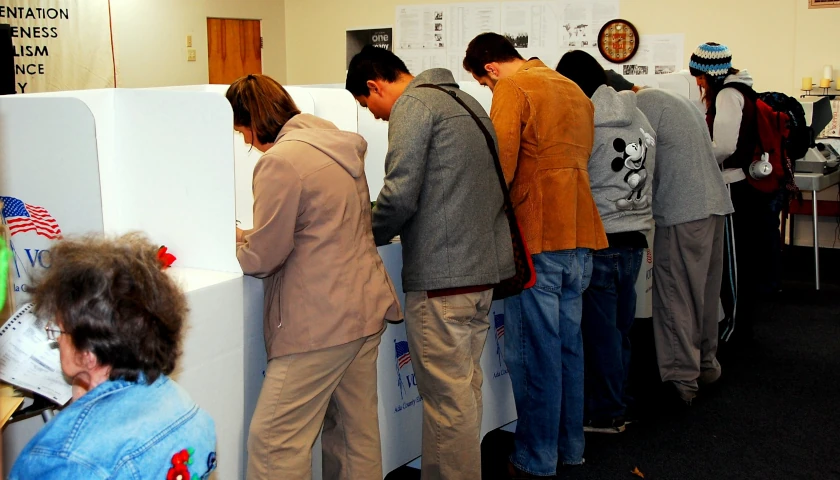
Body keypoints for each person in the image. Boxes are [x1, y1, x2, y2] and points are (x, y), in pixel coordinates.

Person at [346, 45, 514, 480]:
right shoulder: (468, 101)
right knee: (462, 393)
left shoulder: (414, 106)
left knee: (446, 401)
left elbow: (400, 193)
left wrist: (361, 231)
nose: (378, 116)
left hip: (443, 279)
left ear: (374, 84)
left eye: (370, 105)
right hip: (480, 273)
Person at [228, 74, 401, 480]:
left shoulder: (281, 162)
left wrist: (233, 239)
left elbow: (262, 257)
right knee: (354, 434)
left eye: (242, 131)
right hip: (363, 306)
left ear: (252, 120)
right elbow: (319, 228)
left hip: (319, 322)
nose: (247, 142)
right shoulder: (337, 144)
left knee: (274, 441)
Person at [463, 33, 608, 477]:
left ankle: (536, 456)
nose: (490, 92)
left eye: (484, 85)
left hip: (537, 237)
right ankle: (570, 447)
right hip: (580, 229)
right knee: (568, 348)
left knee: (533, 352)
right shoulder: (573, 89)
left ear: (489, 69)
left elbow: (499, 167)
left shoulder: (513, 88)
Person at [9, 233, 217, 479]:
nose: (56, 339)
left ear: (88, 354)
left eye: (59, 330)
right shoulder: (192, 413)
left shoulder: (64, 459)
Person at [556, 50, 655, 433]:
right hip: (635, 235)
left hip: (600, 236)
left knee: (599, 335)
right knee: (619, 329)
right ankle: (620, 403)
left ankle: (606, 412)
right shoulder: (640, 114)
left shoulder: (585, 119)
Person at [631, 85, 735, 405]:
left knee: (677, 294)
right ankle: (706, 364)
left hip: (683, 211)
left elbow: (636, 163)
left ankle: (681, 379)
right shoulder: (680, 101)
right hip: (714, 205)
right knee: (703, 293)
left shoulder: (639, 106)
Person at [690, 42, 781, 342]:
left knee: (734, 263)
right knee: (741, 260)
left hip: (733, 186)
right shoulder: (742, 91)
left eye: (700, 76)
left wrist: (697, 157)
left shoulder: (728, 95)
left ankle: (733, 329)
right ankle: (737, 324)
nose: (699, 82)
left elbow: (725, 147)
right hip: (743, 185)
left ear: (712, 73)